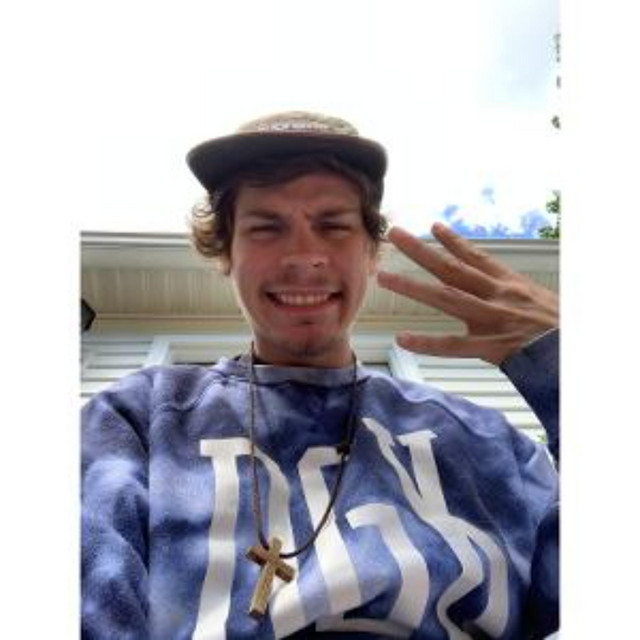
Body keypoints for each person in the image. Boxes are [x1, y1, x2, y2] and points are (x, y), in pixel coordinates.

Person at [82, 111, 559, 639]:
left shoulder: (490, 447)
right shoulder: (138, 420)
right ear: (226, 254)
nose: (303, 256)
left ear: (371, 252)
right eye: (266, 227)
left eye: (333, 225)